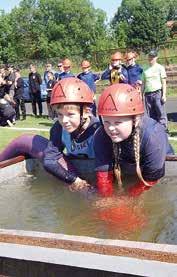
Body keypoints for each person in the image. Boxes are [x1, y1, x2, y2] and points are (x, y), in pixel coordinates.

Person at [0, 78, 100, 193]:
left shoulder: (98, 130)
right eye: (60, 114)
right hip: (79, 174)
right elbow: (50, 161)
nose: (64, 120)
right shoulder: (58, 128)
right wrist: (74, 180)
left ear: (86, 112)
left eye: (70, 114)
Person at [94, 83, 173, 198]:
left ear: (135, 120)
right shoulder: (101, 134)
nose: (110, 128)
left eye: (118, 122)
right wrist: (107, 200)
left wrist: (128, 199)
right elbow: (103, 175)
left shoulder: (153, 135)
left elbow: (151, 178)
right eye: (107, 122)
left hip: (157, 164)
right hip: (128, 161)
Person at [142, 50, 168, 130]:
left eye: (153, 57)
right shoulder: (145, 69)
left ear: (156, 57)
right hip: (147, 94)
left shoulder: (160, 68)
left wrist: (164, 95)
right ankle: (154, 129)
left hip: (157, 93)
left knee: (160, 111)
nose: (151, 58)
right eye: (150, 56)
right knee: (150, 113)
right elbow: (143, 83)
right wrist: (141, 94)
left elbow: (163, 82)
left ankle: (163, 128)